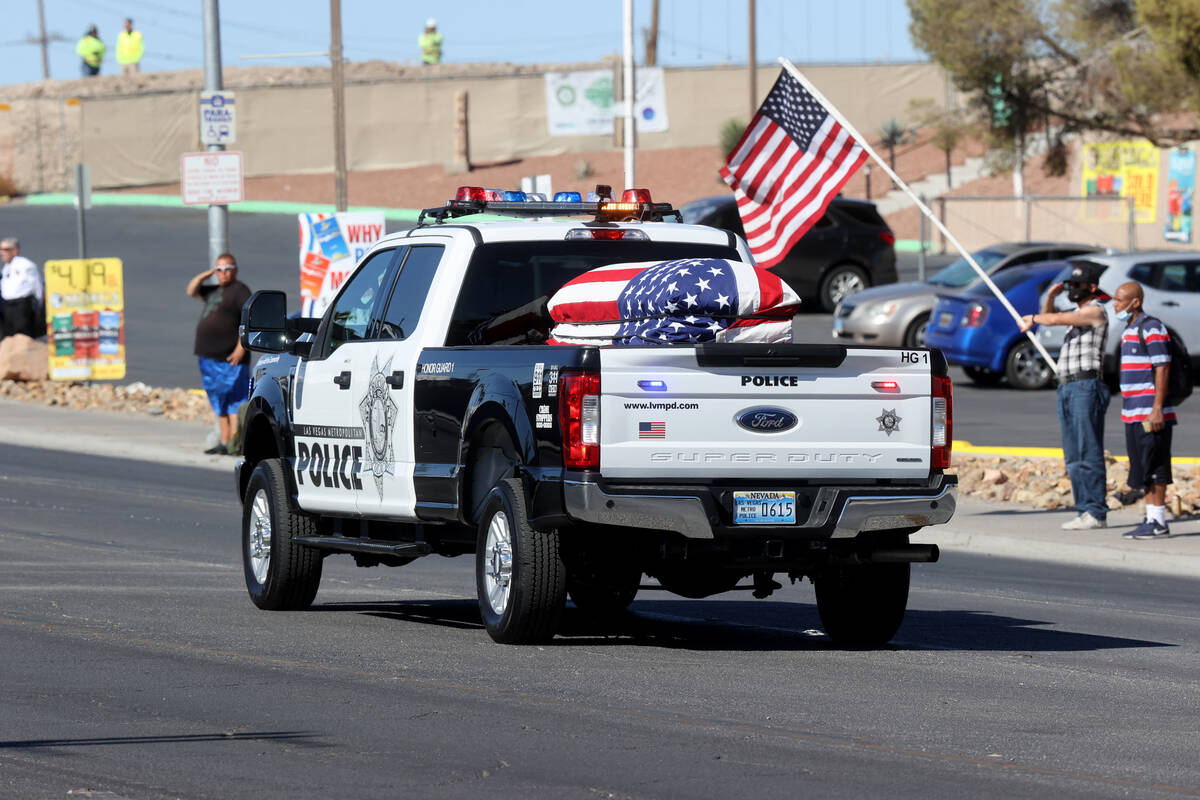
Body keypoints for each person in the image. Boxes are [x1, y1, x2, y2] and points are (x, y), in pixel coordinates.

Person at [1018, 261, 1110, 530]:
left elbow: (1056, 319)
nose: (1072, 289)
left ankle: (1096, 510)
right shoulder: (1075, 310)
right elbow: (1052, 316)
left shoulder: (1095, 311)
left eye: (1076, 285)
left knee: (1088, 449)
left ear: (1091, 288)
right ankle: (1084, 510)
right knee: (1072, 453)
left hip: (1086, 386)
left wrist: (1033, 318)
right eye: (1070, 285)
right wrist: (1050, 297)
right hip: (1067, 386)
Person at [1111, 281, 1176, 539]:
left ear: (1135, 302)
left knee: (1156, 464)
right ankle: (1150, 518)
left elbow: (1163, 367)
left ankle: (1159, 521)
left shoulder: (1151, 328)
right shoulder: (1130, 329)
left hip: (1151, 412)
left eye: (1119, 300)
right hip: (1133, 412)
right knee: (1143, 466)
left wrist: (1157, 408)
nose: (1115, 304)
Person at [187, 253, 251, 455]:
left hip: (230, 359)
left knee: (235, 400)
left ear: (235, 270)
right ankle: (223, 442)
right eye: (219, 269)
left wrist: (241, 348)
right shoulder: (215, 290)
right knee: (218, 401)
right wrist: (206, 275)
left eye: (227, 269)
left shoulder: (240, 291)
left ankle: (235, 443)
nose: (223, 274)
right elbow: (191, 291)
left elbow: (249, 319)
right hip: (208, 357)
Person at [0, 237, 45, 339]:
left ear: (15, 250)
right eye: (1, 249)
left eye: (5, 249)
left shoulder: (25, 265)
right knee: (9, 337)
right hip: (8, 306)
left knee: (23, 336)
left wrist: (38, 307)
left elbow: (37, 285)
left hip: (22, 306)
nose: (2, 253)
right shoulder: (7, 267)